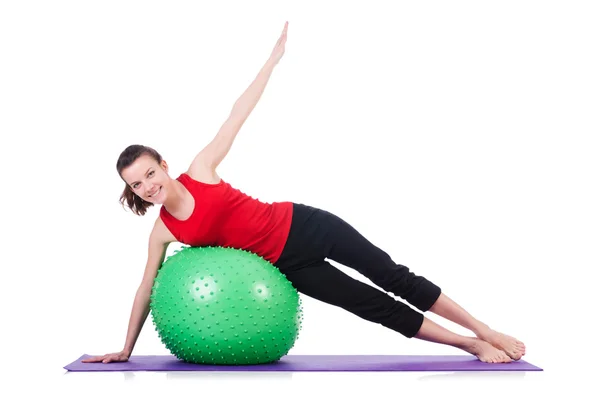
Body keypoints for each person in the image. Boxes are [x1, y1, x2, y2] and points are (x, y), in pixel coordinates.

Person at [83, 22, 526, 365]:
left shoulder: (200, 169)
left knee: (393, 276)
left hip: (305, 225)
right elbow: (145, 288)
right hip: (286, 265)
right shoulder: (162, 230)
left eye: (148, 174)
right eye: (136, 185)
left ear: (162, 163)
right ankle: (467, 345)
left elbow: (238, 114)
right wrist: (124, 348)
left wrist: (271, 61)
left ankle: (483, 328)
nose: (147, 187)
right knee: (369, 305)